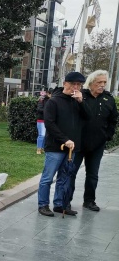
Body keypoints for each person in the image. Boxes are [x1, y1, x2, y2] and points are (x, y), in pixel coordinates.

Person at [37, 71, 89, 217]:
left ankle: (59, 204)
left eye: (79, 85)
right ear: (65, 83)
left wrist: (81, 102)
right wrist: (64, 139)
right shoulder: (54, 101)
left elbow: (88, 117)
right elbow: (50, 124)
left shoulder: (78, 101)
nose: (76, 87)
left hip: (72, 148)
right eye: (73, 84)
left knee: (64, 177)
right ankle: (43, 205)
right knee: (48, 177)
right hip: (56, 146)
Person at [72, 70, 118, 211]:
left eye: (104, 82)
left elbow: (113, 120)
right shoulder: (81, 96)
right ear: (91, 83)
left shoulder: (108, 99)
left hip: (97, 144)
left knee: (93, 175)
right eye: (99, 82)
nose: (102, 85)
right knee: (71, 172)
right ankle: (65, 200)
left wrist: (107, 136)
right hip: (79, 143)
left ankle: (89, 201)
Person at [36, 88, 53, 154]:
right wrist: (47, 111)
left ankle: (42, 148)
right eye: (51, 94)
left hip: (48, 120)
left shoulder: (52, 101)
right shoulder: (42, 100)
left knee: (45, 135)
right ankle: (39, 149)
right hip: (41, 119)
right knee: (42, 135)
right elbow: (39, 109)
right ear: (48, 94)